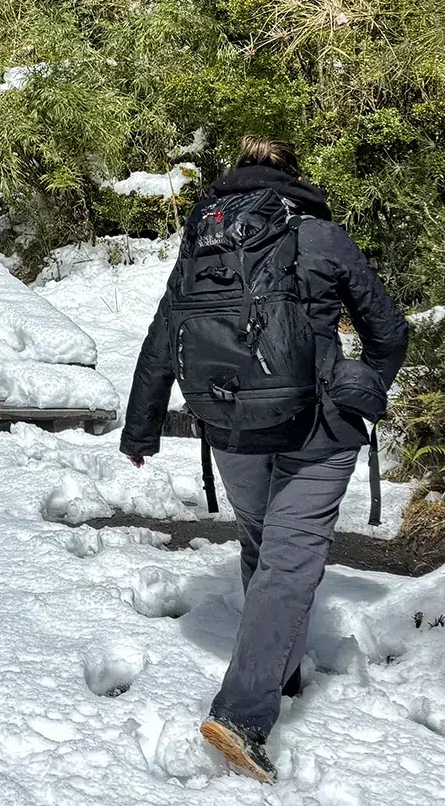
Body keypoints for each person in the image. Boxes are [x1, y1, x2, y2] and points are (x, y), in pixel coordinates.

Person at [120, 136, 407, 783]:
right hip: (320, 423)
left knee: (263, 542)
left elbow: (164, 336)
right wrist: (365, 383)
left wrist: (141, 431)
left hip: (229, 423)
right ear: (293, 176)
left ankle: (281, 666)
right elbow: (388, 332)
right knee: (291, 557)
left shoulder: (202, 239)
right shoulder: (320, 235)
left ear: (237, 177)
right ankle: (245, 713)